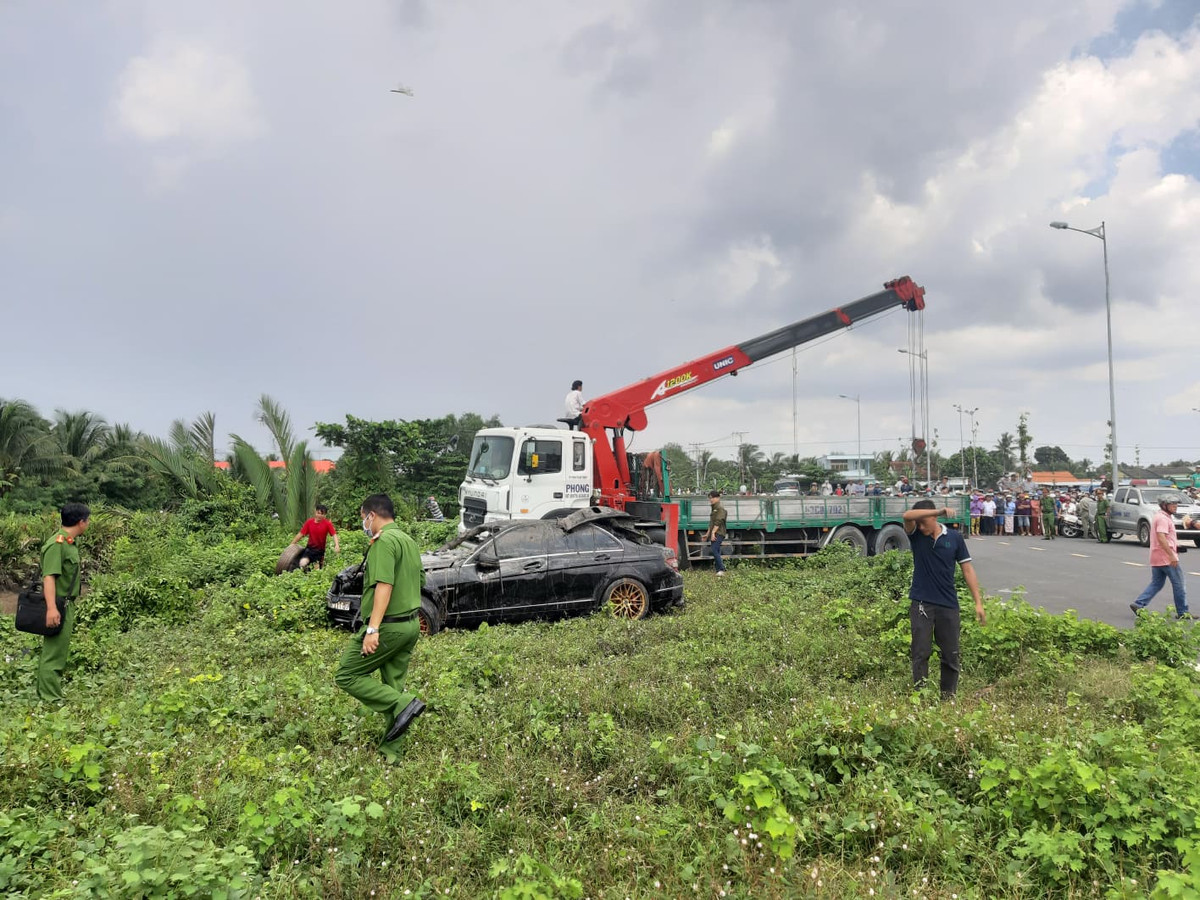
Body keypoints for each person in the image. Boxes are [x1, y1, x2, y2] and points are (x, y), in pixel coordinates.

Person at [334, 494, 426, 761]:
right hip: (410, 625)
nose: (364, 523)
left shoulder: (384, 542)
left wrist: (373, 629)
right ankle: (392, 752)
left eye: (363, 517)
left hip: (389, 628)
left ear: (372, 515)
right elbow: (420, 579)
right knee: (392, 687)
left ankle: (404, 704)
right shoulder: (408, 541)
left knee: (347, 674)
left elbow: (384, 584)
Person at [902, 500, 985, 698]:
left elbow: (967, 569)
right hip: (921, 603)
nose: (920, 527)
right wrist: (939, 510)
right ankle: (920, 696)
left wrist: (978, 603)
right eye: (918, 523)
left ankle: (948, 696)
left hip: (948, 604)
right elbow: (906, 516)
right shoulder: (916, 537)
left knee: (951, 654)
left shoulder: (954, 538)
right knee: (921, 652)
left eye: (923, 522)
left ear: (934, 519)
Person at [37, 502, 91, 703]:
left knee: (58, 650)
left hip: (66, 604)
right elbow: (49, 577)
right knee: (54, 652)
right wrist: (51, 608)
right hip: (58, 604)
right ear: (81, 522)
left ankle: (50, 691)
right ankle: (50, 698)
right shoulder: (56, 545)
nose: (88, 524)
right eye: (88, 520)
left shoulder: (68, 542)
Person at [1130, 494, 1189, 619]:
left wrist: (1175, 547)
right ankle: (1183, 613)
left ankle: (1139, 604)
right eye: (1172, 504)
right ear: (1164, 505)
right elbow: (1161, 537)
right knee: (1179, 584)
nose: (1175, 506)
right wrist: (1171, 555)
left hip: (1157, 557)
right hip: (1166, 558)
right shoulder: (1163, 518)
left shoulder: (1160, 516)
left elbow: (1163, 538)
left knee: (1157, 583)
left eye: (1176, 504)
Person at [291, 504, 340, 570]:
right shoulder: (309, 522)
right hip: (309, 549)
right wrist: (292, 544)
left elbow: (334, 534)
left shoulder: (327, 524)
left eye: (322, 514)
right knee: (302, 563)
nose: (320, 515)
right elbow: (301, 534)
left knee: (317, 569)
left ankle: (318, 568)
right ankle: (307, 575)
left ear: (325, 515)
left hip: (319, 551)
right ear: (315, 512)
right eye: (318, 513)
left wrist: (337, 545)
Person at [705, 490, 727, 577]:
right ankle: (718, 569)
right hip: (715, 532)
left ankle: (721, 569)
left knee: (714, 550)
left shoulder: (720, 508)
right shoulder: (714, 507)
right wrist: (707, 534)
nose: (711, 500)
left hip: (719, 532)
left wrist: (713, 533)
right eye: (710, 498)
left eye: (713, 498)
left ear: (718, 498)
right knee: (716, 550)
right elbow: (711, 523)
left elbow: (718, 521)